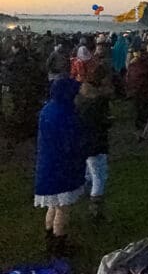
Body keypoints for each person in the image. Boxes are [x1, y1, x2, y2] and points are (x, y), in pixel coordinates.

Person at [34, 77, 86, 256]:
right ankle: (59, 246)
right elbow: (71, 142)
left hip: (47, 166)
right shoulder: (65, 114)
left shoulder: (47, 109)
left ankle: (49, 239)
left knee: (53, 206)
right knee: (63, 209)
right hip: (62, 168)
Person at [76, 48, 114, 220]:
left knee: (89, 170)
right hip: (97, 141)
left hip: (83, 139)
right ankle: (95, 209)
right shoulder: (98, 101)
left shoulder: (81, 95)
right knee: (100, 175)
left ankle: (82, 193)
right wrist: (108, 121)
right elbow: (102, 121)